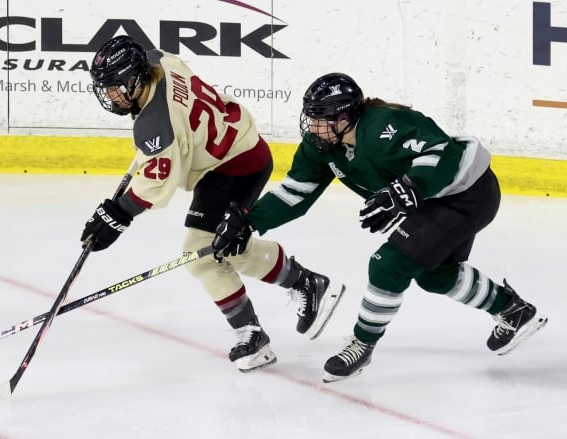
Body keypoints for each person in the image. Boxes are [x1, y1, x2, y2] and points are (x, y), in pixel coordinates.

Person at [211, 72, 548, 381]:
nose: (312, 127)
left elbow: (441, 153)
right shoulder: (323, 145)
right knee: (434, 275)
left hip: (467, 194)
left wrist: (410, 188)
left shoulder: (386, 126)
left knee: (388, 264)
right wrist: (248, 221)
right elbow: (296, 192)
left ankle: (362, 344)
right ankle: (513, 310)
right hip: (431, 202)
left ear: (344, 119)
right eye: (310, 118)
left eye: (320, 120)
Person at [80, 36, 345, 372]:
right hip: (229, 154)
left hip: (238, 165)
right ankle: (302, 285)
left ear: (136, 77)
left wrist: (117, 214)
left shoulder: (158, 125)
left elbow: (155, 185)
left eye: (117, 87)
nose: (112, 96)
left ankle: (261, 326)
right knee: (220, 249)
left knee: (203, 255)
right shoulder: (160, 62)